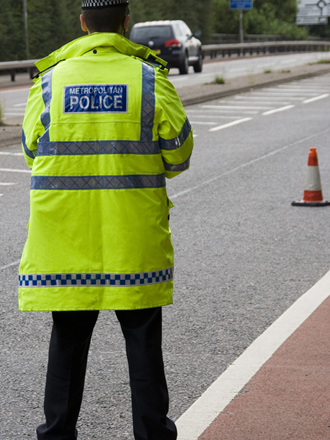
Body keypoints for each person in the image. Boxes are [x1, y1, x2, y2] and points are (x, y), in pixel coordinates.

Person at [18, 1, 194, 439]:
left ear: (82, 24)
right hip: (132, 242)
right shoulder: (149, 79)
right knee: (143, 347)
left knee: (67, 346)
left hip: (65, 242)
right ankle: (152, 433)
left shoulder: (49, 83)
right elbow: (179, 155)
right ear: (125, 23)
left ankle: (57, 433)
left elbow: (29, 149)